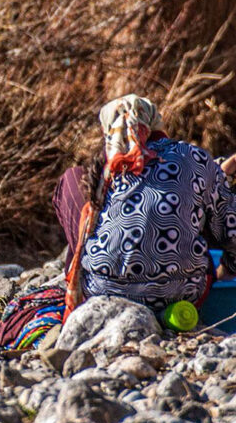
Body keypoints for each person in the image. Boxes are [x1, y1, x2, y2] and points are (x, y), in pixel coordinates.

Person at [53, 94, 236, 317]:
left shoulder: (105, 168)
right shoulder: (193, 156)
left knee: (72, 179)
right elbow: (230, 227)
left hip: (102, 292)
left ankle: (75, 285)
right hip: (182, 294)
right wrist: (227, 270)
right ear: (154, 122)